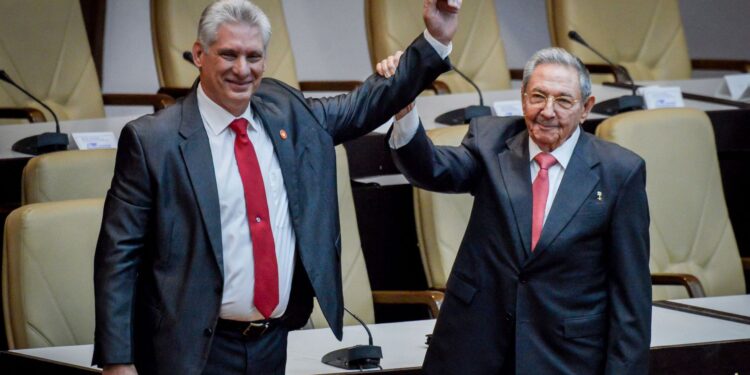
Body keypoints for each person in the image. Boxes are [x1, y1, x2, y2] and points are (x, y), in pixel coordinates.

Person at [92, 1, 461, 374]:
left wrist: (435, 38)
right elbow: (118, 257)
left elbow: (364, 105)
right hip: (189, 350)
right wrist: (117, 361)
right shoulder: (153, 140)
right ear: (200, 55)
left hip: (271, 343)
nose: (242, 69)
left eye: (253, 56)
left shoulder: (287, 111)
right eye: (229, 54)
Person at [378, 47, 651, 374]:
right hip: (474, 345)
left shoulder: (620, 171)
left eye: (563, 101)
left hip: (564, 355)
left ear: (585, 109)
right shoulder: (490, 141)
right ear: (523, 98)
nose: (547, 111)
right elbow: (431, 169)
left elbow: (631, 299)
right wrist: (404, 106)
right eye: (538, 96)